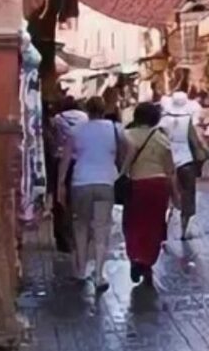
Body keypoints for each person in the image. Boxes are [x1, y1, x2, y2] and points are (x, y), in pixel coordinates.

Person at [57, 96, 125, 292]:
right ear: (104, 109)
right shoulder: (114, 128)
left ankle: (80, 270)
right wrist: (122, 170)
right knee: (102, 229)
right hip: (106, 182)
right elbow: (130, 148)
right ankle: (99, 275)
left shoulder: (76, 131)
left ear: (86, 110)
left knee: (81, 226)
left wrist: (61, 184)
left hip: (81, 182)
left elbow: (65, 159)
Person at [121, 102, 177, 286]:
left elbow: (121, 163)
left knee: (132, 223)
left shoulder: (127, 136)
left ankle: (134, 256)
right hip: (158, 185)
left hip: (136, 184)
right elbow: (170, 170)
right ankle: (147, 261)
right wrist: (176, 195)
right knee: (154, 225)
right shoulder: (162, 139)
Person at [160, 91, 208, 239]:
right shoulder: (187, 121)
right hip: (186, 160)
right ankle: (183, 230)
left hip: (167, 161)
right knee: (188, 195)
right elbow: (194, 141)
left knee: (166, 196)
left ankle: (164, 228)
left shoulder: (163, 121)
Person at [48, 96, 88, 253]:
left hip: (61, 160)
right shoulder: (85, 117)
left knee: (60, 199)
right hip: (80, 160)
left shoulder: (58, 119)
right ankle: (78, 233)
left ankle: (63, 237)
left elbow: (54, 140)